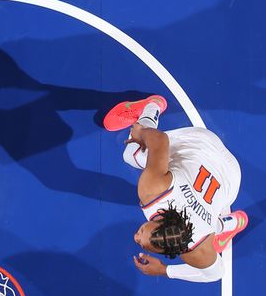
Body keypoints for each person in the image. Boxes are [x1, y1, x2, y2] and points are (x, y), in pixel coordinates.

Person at [104, 95, 248, 283]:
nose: (135, 236)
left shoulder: (196, 248)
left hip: (232, 177)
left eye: (140, 240)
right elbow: (159, 140)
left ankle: (231, 223)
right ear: (161, 220)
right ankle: (152, 106)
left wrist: (167, 269)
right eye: (141, 233)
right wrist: (141, 133)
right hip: (200, 144)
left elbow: (217, 273)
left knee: (205, 222)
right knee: (131, 154)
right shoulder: (153, 191)